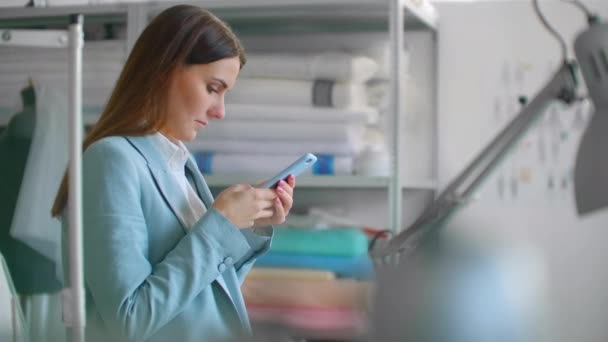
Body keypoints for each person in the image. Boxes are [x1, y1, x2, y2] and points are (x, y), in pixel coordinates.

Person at [51, 5, 295, 342]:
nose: (220, 111)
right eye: (213, 88)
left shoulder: (179, 165)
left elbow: (201, 297)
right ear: (165, 69)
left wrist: (248, 223)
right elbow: (130, 319)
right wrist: (220, 223)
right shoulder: (111, 160)